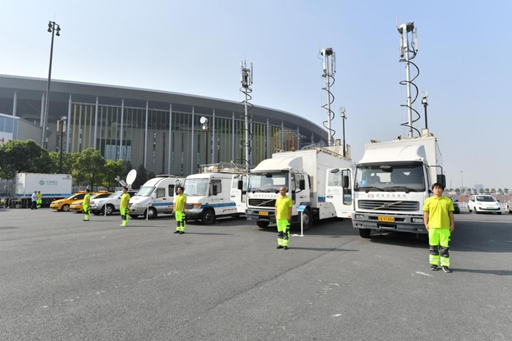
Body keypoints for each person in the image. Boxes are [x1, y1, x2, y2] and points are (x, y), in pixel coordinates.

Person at [423, 182, 455, 273]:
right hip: (432, 228)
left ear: (442, 190)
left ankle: (445, 265)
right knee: (433, 247)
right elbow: (426, 213)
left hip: (445, 228)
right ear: (432, 190)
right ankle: (434, 264)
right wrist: (426, 223)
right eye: (436, 188)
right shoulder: (428, 200)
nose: (438, 189)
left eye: (440, 188)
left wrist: (452, 224)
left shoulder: (447, 200)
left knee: (445, 248)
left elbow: (451, 214)